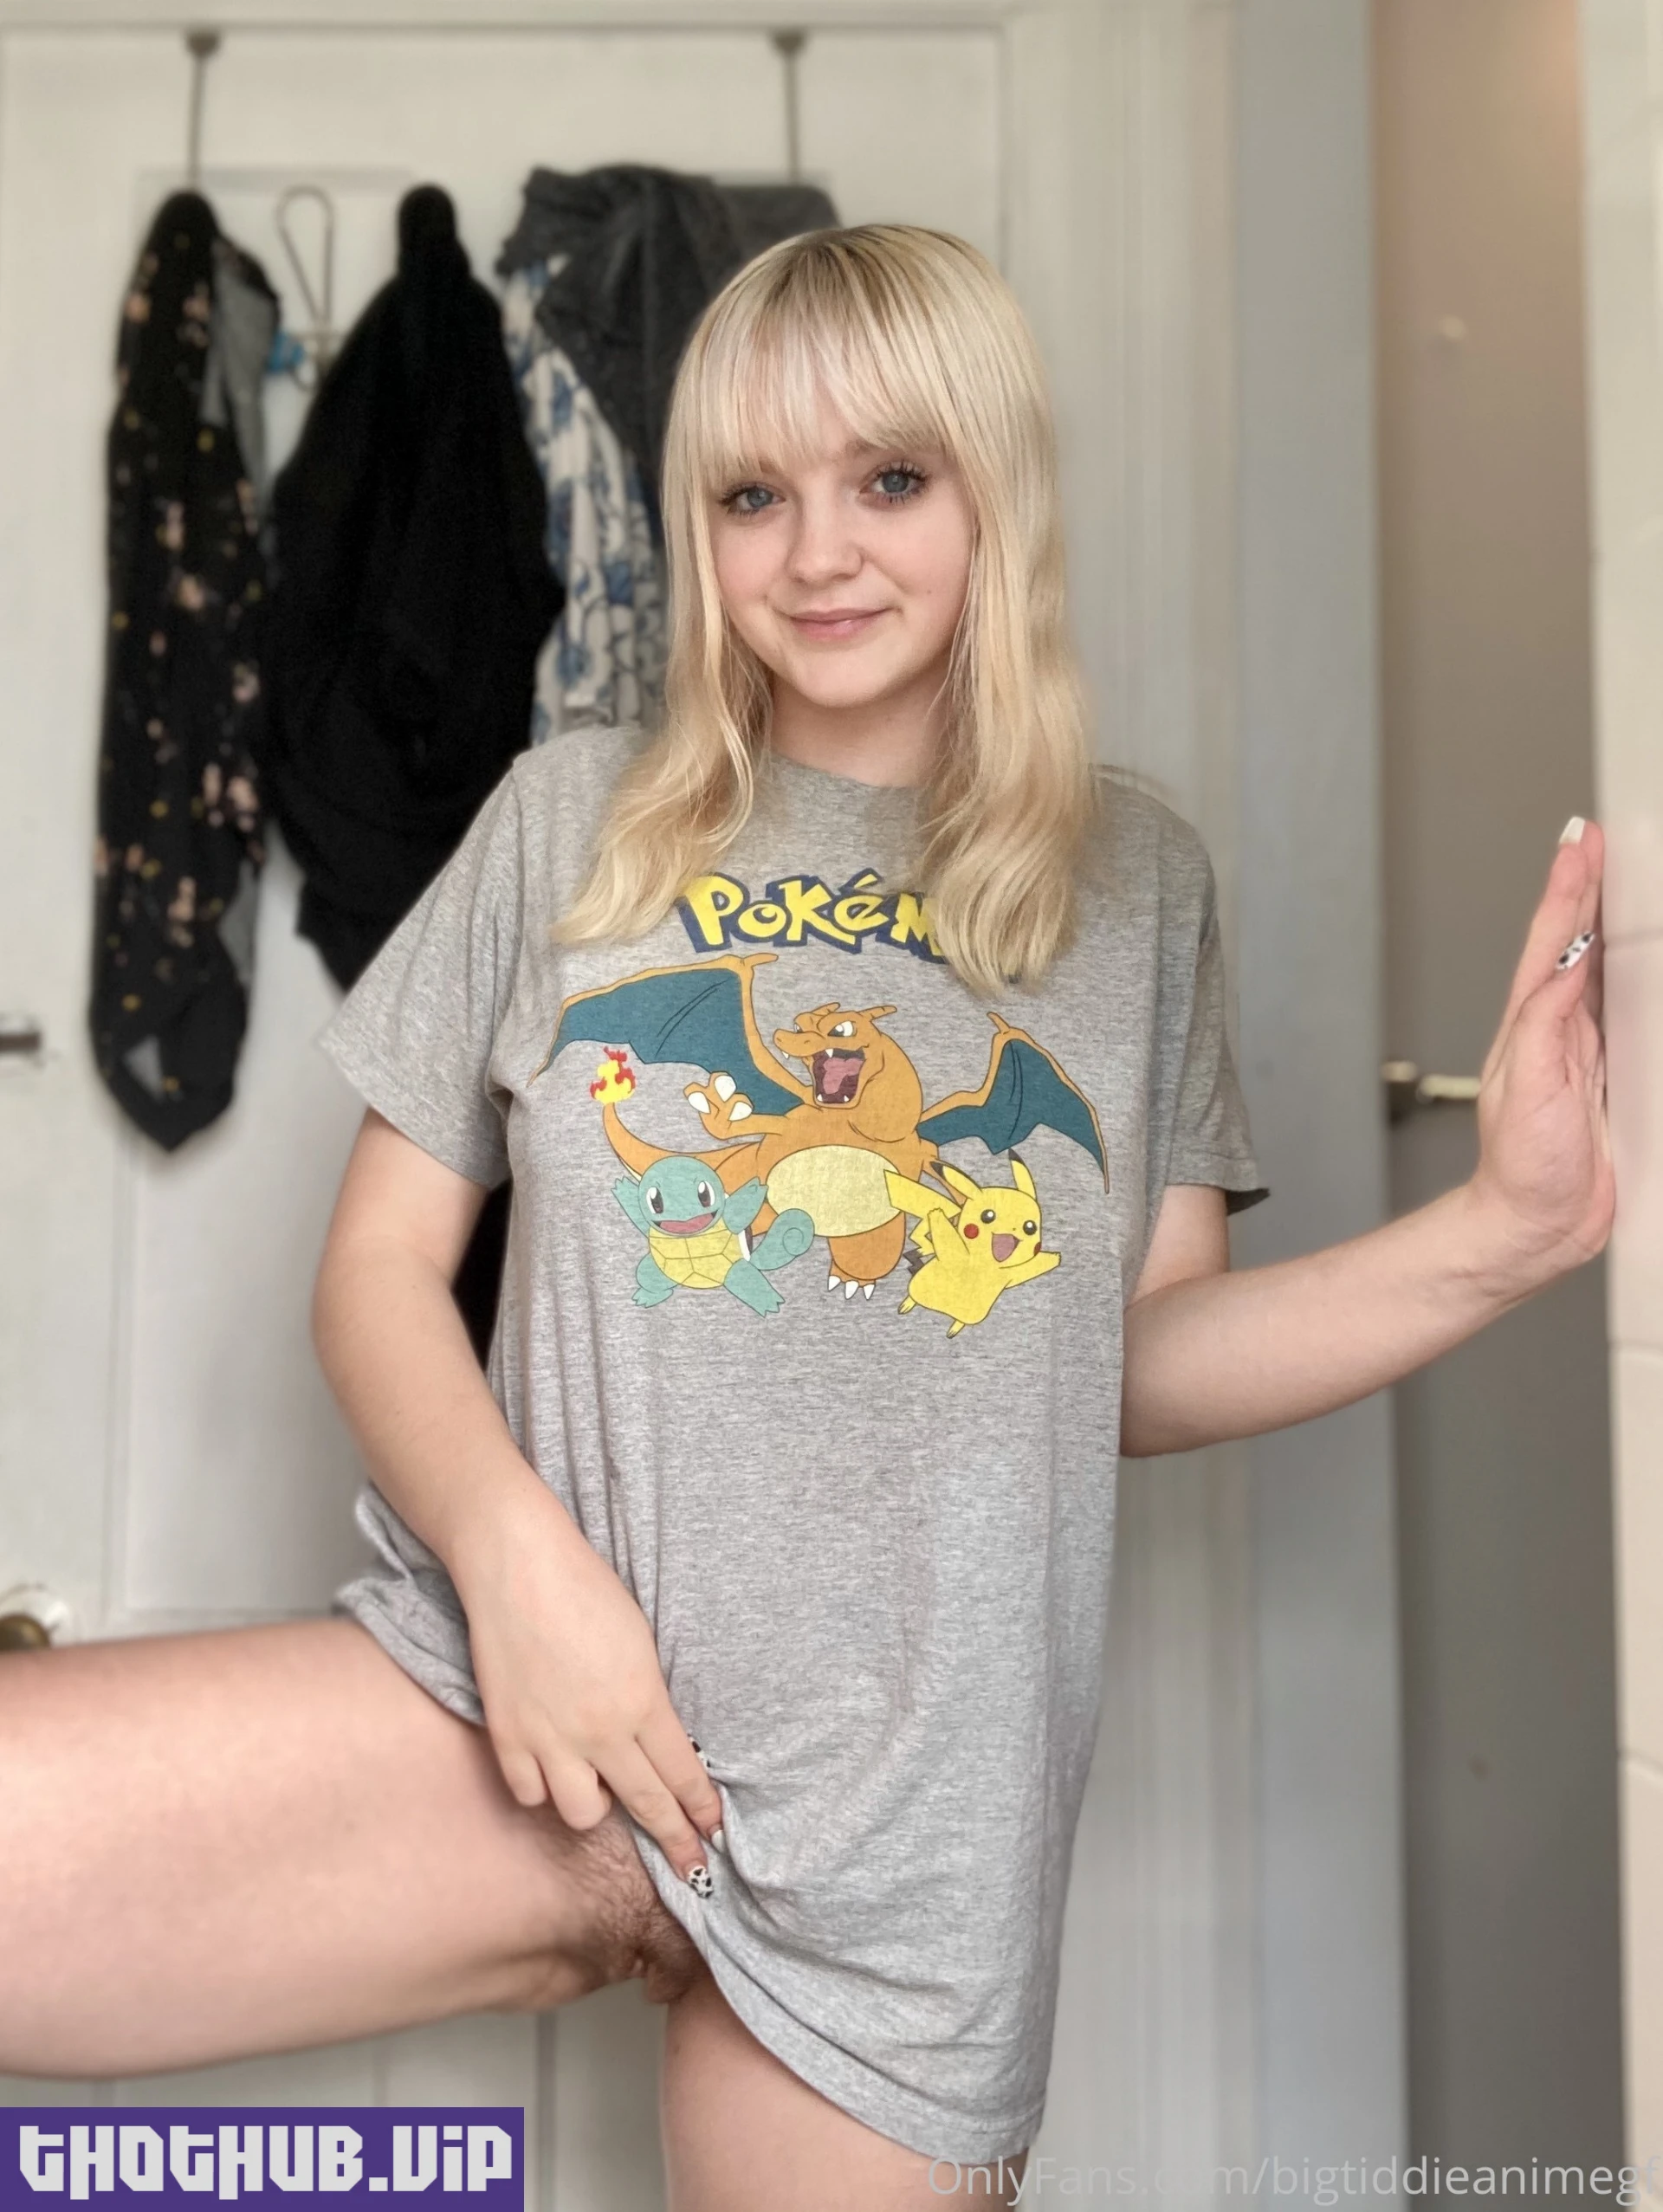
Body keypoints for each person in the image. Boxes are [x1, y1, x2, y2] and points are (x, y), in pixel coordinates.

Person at [2, 227, 1611, 2212]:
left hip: (904, 1840)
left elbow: (1128, 1362)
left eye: (891, 479)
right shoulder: (569, 817)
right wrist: (520, 1572)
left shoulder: (1134, 881)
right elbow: (376, 1272)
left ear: (995, 491)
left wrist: (1510, 1225)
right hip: (534, 1703)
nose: (818, 553)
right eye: (754, 494)